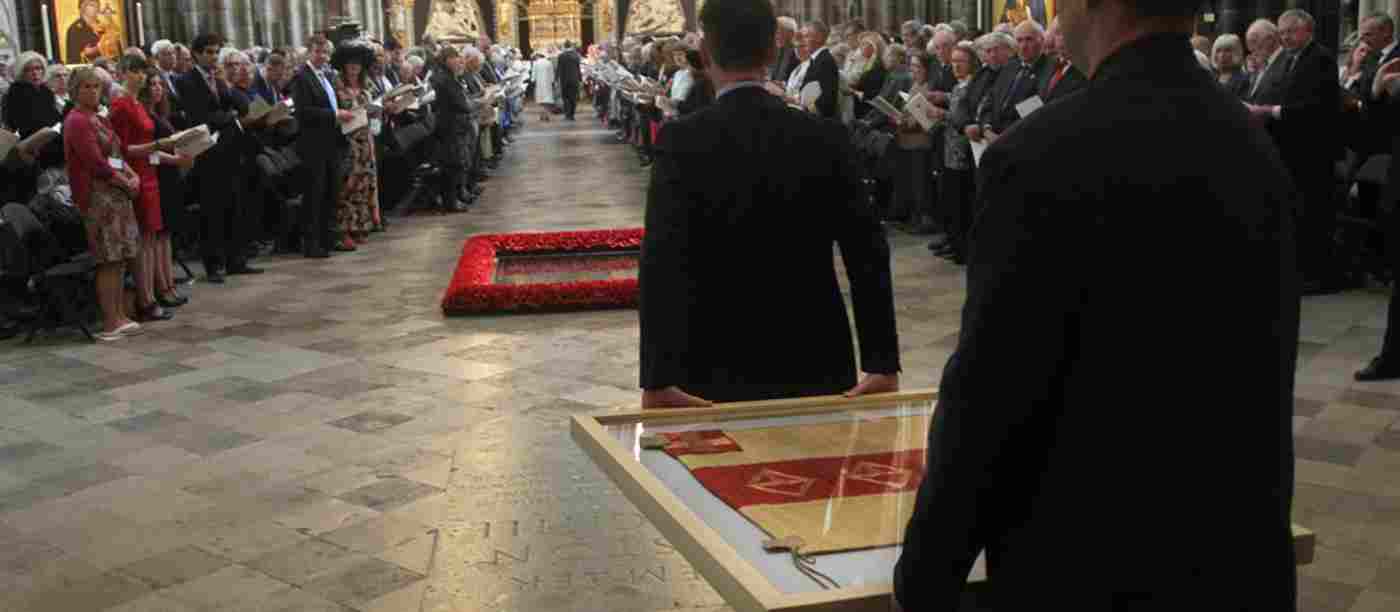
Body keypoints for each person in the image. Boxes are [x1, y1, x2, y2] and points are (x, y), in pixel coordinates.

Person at [892, 0, 1301, 609]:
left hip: (1091, 558)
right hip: (1234, 556)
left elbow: (993, 390)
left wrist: (928, 572)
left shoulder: (1043, 154)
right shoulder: (1252, 145)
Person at [638, 0, 901, 407]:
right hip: (814, 351)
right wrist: (882, 362)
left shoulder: (682, 140)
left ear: (704, 53)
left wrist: (657, 378)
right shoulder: (826, 137)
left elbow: (661, 259)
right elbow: (867, 250)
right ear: (773, 50)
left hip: (711, 353)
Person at [1245, 9, 1340, 295]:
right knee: (1297, 212)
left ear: (1308, 30)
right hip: (1291, 148)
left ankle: (1318, 275)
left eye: (1291, 31)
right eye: (1282, 32)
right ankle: (1301, 271)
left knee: (1313, 213)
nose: (1285, 37)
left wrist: (1270, 111)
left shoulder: (1319, 58)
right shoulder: (1290, 59)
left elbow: (1316, 107)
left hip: (1312, 150)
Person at [64, 66, 145, 341]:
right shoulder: (76, 121)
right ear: (75, 91)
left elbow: (115, 155)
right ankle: (110, 320)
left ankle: (120, 314)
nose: (91, 91)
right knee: (108, 258)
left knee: (120, 257)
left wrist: (132, 174)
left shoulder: (99, 118)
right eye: (85, 87)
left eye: (95, 86)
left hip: (117, 194)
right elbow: (95, 163)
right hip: (98, 197)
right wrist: (124, 181)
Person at [176, 33, 255, 282]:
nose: (213, 57)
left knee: (234, 205)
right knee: (212, 210)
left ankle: (235, 260)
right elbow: (200, 116)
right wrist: (230, 117)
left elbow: (243, 106)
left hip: (230, 150)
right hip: (207, 151)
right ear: (196, 54)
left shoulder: (218, 79)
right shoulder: (187, 80)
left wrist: (226, 85)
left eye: (216, 52)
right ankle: (213, 265)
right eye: (208, 52)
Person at [108, 53, 175, 322]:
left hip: (149, 173)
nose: (140, 76)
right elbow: (121, 151)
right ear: (122, 73)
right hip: (135, 175)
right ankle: (145, 300)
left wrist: (168, 155)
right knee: (142, 241)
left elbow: (146, 147)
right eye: (134, 71)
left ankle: (152, 294)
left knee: (150, 239)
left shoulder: (137, 103)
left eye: (142, 71)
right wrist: (159, 145)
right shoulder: (120, 105)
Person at [290, 34, 352, 258]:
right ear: (309, 52)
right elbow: (303, 111)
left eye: (325, 52)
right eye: (317, 51)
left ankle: (328, 238)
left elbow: (330, 103)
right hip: (313, 144)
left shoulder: (325, 75)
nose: (322, 56)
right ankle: (312, 243)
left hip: (330, 141)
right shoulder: (301, 77)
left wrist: (340, 113)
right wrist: (334, 115)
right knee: (314, 194)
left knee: (330, 192)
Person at [139, 67, 191, 309]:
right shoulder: (144, 116)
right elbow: (148, 153)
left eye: (160, 84)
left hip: (169, 175)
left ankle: (168, 284)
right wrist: (174, 159)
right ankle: (161, 287)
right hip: (157, 175)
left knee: (166, 234)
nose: (158, 88)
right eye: (152, 84)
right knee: (159, 235)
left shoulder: (158, 114)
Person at [331, 43, 380, 250]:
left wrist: (377, 110)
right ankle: (344, 229)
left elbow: (373, 106)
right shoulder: (336, 86)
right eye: (350, 63)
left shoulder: (366, 86)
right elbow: (334, 112)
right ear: (343, 65)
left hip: (365, 138)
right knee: (348, 185)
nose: (354, 67)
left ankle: (360, 225)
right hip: (347, 140)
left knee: (364, 183)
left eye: (358, 64)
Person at [431, 45, 475, 213]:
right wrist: (471, 105)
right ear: (447, 60)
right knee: (452, 163)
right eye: (455, 58)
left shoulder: (448, 76)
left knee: (458, 162)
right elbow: (460, 103)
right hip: (450, 126)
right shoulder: (445, 79)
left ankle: (457, 195)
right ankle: (451, 200)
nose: (458, 61)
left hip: (454, 125)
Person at [1212, 33, 1250, 98]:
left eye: (1227, 50)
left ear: (1237, 53)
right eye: (1218, 51)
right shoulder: (1211, 76)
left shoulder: (1243, 80)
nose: (1222, 55)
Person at [65, 0, 103, 65]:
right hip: (86, 68)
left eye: (98, 5)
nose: (97, 8)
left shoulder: (102, 26)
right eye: (92, 5)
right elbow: (73, 58)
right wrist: (93, 50)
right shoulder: (75, 29)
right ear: (82, 8)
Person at [556, 40, 583, 120]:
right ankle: (572, 114)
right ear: (571, 46)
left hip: (564, 80)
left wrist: (556, 78)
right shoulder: (576, 55)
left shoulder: (561, 56)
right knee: (573, 98)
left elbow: (559, 68)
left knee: (565, 98)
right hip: (574, 79)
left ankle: (567, 114)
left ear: (564, 46)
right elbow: (578, 68)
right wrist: (580, 79)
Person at [531, 51, 557, 120]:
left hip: (539, 83)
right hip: (548, 83)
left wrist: (533, 81)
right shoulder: (549, 62)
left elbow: (533, 74)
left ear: (538, 56)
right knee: (547, 100)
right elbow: (552, 74)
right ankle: (546, 114)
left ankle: (542, 115)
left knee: (541, 100)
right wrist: (552, 81)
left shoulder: (536, 63)